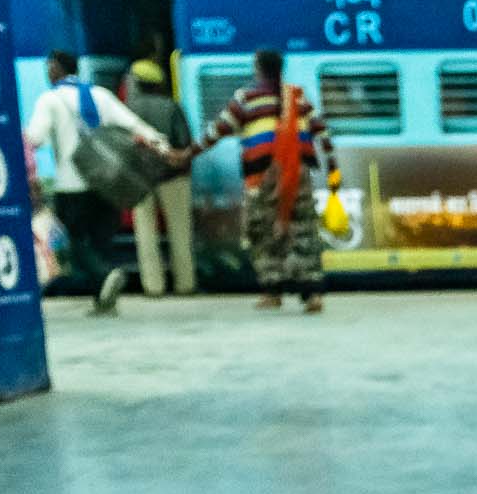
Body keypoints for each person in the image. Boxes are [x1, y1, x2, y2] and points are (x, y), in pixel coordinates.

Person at [23, 50, 169, 316]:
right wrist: (161, 143)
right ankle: (103, 300)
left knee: (77, 244)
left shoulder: (50, 99)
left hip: (71, 185)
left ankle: (105, 276)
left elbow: (35, 138)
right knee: (101, 242)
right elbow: (132, 123)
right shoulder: (100, 95)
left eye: (49, 67)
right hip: (107, 184)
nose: (47, 72)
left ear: (57, 68)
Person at [189, 49, 335, 314]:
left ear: (258, 69)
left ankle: (272, 290)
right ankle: (312, 293)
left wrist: (188, 153)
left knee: (261, 233)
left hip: (260, 179)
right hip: (297, 176)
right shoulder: (298, 97)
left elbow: (217, 130)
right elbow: (321, 131)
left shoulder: (246, 99)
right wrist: (333, 169)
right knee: (303, 230)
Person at [123, 61, 197, 299]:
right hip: (172, 177)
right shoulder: (171, 107)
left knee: (145, 234)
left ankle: (153, 287)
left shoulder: (127, 109)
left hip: (139, 179)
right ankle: (185, 284)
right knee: (180, 231)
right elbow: (184, 141)